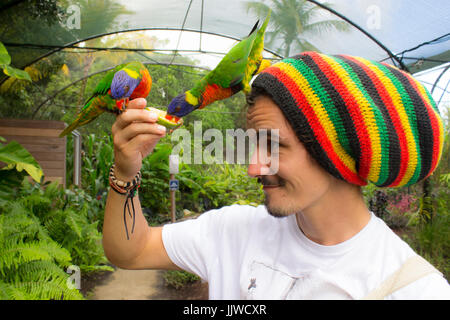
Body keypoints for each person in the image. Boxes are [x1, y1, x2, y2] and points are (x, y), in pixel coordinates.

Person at [103, 52, 450, 299]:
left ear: (337, 152)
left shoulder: (414, 288)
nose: (255, 167)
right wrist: (125, 171)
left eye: (274, 146)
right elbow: (131, 252)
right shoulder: (235, 232)